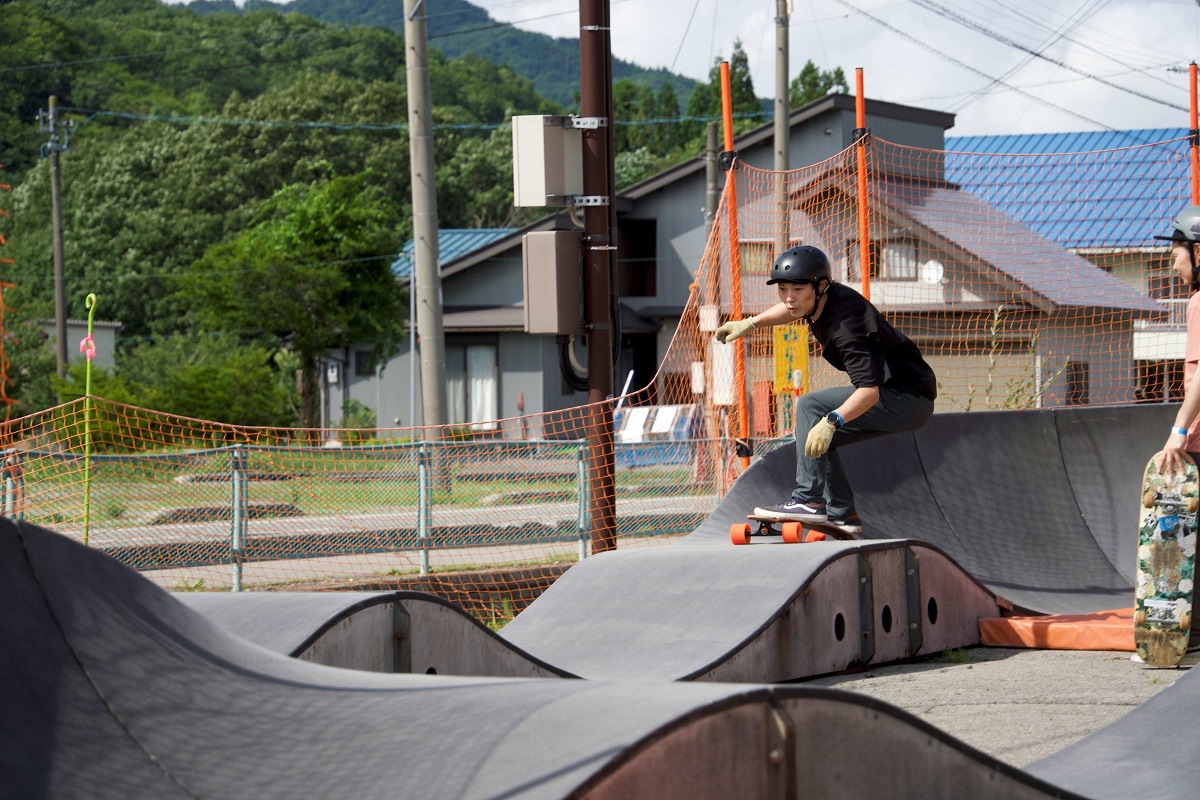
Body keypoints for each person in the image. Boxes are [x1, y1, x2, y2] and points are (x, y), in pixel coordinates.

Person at [714, 244, 937, 535]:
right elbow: (792, 309)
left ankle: (807, 500)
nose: (789, 298)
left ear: (819, 286)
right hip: (901, 396)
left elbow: (868, 392)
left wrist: (833, 421)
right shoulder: (822, 298)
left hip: (906, 398)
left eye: (797, 290)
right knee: (818, 437)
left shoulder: (847, 327)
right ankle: (842, 514)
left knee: (811, 406)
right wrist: (750, 323)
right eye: (783, 289)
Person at [1155, 205, 1200, 476]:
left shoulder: (1198, 303)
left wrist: (1179, 429)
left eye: (1175, 256)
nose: (1173, 266)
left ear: (1197, 251)